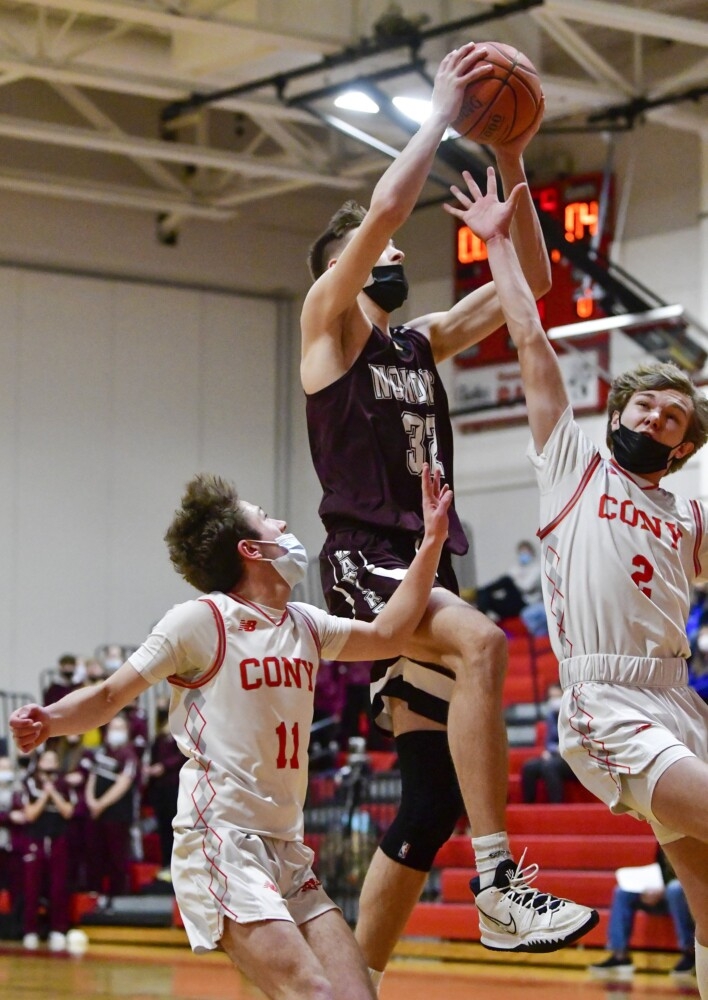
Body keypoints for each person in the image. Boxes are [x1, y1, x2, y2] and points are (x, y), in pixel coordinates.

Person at [300, 39, 597, 981]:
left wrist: (512, 157)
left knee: (428, 802)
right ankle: (503, 887)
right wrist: (436, 111)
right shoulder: (329, 328)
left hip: (432, 556)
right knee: (486, 644)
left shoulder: (419, 342)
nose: (395, 256)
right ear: (347, 267)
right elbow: (387, 203)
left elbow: (539, 286)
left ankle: (359, 983)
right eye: (380, 253)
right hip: (365, 561)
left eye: (396, 254)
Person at [9, 464, 451, 1000]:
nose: (283, 522)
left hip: (284, 844)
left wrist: (431, 541)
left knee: (357, 995)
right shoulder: (201, 620)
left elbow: (388, 631)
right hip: (219, 839)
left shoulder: (305, 624)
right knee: (315, 993)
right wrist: (51, 720)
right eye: (267, 520)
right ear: (250, 550)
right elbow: (108, 695)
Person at [445, 164, 708, 998]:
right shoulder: (573, 467)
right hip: (609, 704)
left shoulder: (688, 516)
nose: (656, 417)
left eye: (673, 417)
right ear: (618, 411)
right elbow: (530, 338)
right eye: (644, 406)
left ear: (683, 447)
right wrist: (497, 244)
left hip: (681, 703)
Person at [589, 849, 695, 981]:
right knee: (622, 891)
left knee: (674, 889)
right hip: (663, 893)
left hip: (687, 895)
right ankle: (620, 955)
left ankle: (690, 952)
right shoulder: (663, 836)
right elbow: (662, 869)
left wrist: (663, 889)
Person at [18, 748, 75, 951]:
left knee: (58, 886)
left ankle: (58, 929)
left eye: (53, 758)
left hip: (58, 837)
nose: (50, 762)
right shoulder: (29, 783)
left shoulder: (64, 784)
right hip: (35, 838)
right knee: (32, 886)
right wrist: (45, 794)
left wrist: (54, 792)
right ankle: (30, 930)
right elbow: (30, 814)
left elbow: (68, 811)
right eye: (46, 759)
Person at [84, 713, 140, 902]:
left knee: (117, 856)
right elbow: (92, 777)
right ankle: (95, 892)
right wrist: (91, 801)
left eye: (120, 728)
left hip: (118, 814)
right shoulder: (101, 752)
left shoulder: (129, 755)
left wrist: (101, 804)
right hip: (96, 814)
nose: (115, 732)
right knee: (95, 854)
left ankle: (119, 897)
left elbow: (123, 784)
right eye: (113, 728)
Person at [476, 539, 548, 636]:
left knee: (507, 581)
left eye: (526, 552)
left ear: (532, 553)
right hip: (513, 599)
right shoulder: (516, 568)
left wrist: (513, 580)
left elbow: (526, 586)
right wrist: (514, 579)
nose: (523, 555)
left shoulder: (537, 569)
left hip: (527, 602)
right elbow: (510, 579)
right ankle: (485, 604)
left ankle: (487, 599)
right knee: (485, 591)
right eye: (521, 552)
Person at [520, 683, 575, 804]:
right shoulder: (551, 716)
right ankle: (528, 806)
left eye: (557, 696)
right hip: (556, 755)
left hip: (574, 758)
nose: (554, 701)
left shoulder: (576, 714)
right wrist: (551, 751)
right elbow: (549, 742)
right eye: (551, 697)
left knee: (549, 766)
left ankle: (556, 807)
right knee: (529, 767)